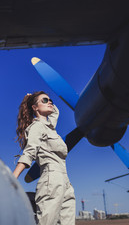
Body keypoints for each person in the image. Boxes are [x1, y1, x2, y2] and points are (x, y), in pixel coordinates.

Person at [13, 91, 76, 225]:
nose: (50, 102)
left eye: (51, 100)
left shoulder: (50, 128)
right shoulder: (36, 127)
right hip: (51, 180)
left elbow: (55, 112)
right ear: (35, 108)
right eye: (45, 100)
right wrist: (12, 178)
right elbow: (29, 153)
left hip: (66, 182)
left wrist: (36, 99)